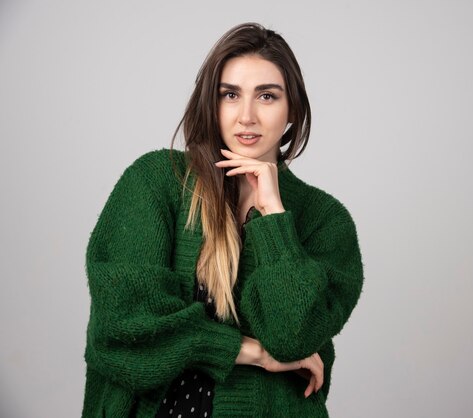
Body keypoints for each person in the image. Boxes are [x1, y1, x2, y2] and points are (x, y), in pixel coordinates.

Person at [81, 22, 364, 418]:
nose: (246, 116)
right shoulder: (156, 182)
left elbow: (293, 338)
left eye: (267, 96)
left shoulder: (324, 221)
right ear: (210, 105)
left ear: (293, 110)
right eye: (230, 95)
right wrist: (247, 351)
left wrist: (273, 217)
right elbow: (123, 328)